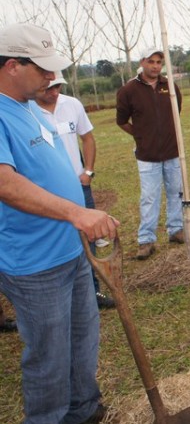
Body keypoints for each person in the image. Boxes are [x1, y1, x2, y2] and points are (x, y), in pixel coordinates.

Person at [0, 22, 118, 424]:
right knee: (49, 356)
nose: (52, 77)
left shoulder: (30, 106)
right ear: (12, 65)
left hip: (71, 249)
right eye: (43, 68)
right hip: (35, 263)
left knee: (83, 340)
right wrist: (77, 212)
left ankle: (84, 411)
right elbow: (5, 183)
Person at [35, 71, 115, 309]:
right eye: (49, 87)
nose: (54, 92)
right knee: (57, 242)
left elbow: (87, 138)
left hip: (79, 188)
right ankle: (63, 298)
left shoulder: (72, 105)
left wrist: (88, 172)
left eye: (58, 86)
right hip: (47, 193)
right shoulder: (26, 110)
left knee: (88, 239)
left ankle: (92, 292)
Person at [116, 47, 185, 260]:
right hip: (147, 156)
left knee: (176, 191)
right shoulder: (128, 90)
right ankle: (146, 239)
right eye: (151, 61)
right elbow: (121, 120)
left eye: (159, 62)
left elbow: (177, 112)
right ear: (142, 62)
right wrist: (140, 135)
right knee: (149, 197)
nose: (155, 66)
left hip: (173, 151)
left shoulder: (169, 86)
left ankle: (176, 229)